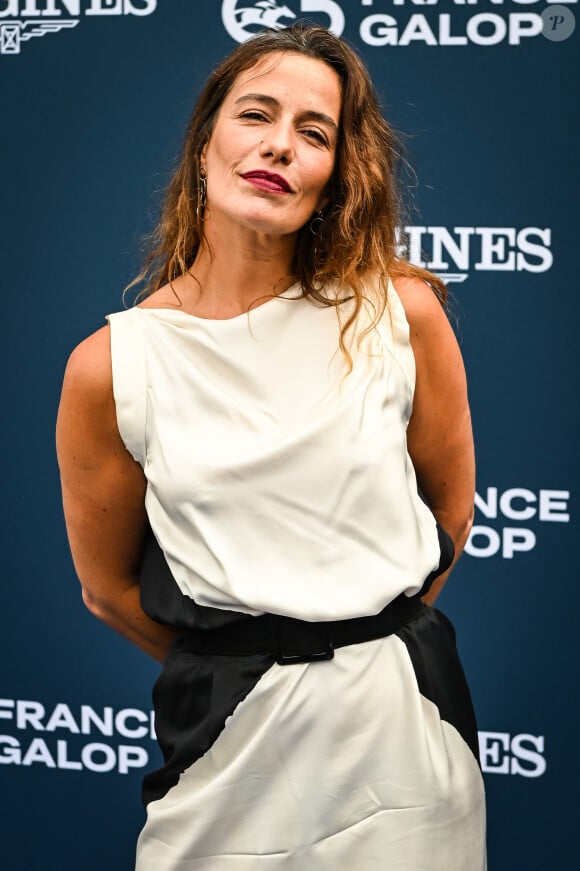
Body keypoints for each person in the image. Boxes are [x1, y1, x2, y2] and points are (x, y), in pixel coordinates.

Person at [56, 23, 486, 870]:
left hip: (405, 742)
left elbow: (449, 514)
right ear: (206, 141)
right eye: (257, 114)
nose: (280, 145)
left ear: (335, 173)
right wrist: (250, 666)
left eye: (315, 132)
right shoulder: (112, 365)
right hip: (228, 752)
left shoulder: (402, 314)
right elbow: (107, 590)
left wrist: (359, 642)